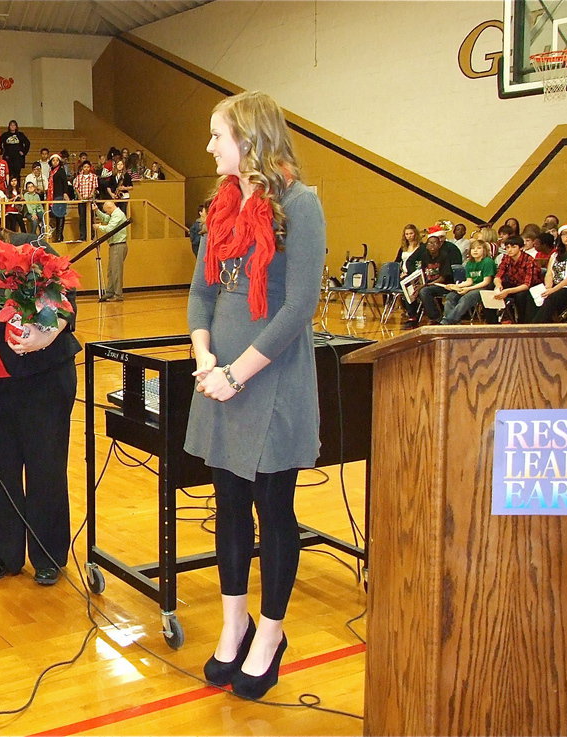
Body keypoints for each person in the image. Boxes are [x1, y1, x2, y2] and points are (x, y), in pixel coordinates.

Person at [186, 91, 326, 701]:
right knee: (228, 507)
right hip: (220, 379)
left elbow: (298, 306)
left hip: (269, 379)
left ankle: (270, 634)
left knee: (274, 511)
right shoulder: (219, 207)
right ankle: (233, 624)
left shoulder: (300, 204)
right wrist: (203, 355)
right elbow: (201, 295)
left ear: (249, 139)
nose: (210, 146)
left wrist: (236, 371)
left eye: (218, 135)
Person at [0, 191, 81, 585]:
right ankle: (5, 553)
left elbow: (66, 294)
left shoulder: (30, 246)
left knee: (46, 469)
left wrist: (47, 334)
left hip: (43, 377)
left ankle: (48, 556)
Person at [405, 225, 462, 326]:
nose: (432, 245)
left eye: (435, 243)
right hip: (428, 283)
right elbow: (422, 272)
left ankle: (436, 318)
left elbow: (443, 278)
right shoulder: (425, 256)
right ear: (426, 245)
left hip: (444, 285)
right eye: (430, 243)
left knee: (424, 291)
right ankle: (413, 317)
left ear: (440, 245)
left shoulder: (444, 256)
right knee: (410, 289)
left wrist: (426, 285)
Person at [530, 224, 567, 323]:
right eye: (564, 234)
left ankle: (536, 326)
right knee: (532, 294)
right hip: (554, 286)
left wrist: (553, 290)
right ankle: (525, 323)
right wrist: (548, 287)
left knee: (553, 297)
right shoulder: (555, 254)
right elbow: (549, 273)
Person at [438, 239, 496, 324]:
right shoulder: (469, 263)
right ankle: (454, 321)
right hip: (472, 287)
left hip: (484, 288)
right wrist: (456, 286)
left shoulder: (488, 262)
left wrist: (468, 289)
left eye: (479, 248)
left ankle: (448, 321)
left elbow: (486, 282)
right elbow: (469, 281)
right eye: (473, 249)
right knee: (451, 296)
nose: (475, 250)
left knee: (467, 297)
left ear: (484, 250)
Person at [488, 234, 541, 323]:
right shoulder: (506, 258)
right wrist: (498, 285)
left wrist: (507, 291)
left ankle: (521, 322)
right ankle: (493, 322)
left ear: (520, 248)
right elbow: (498, 275)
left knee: (521, 295)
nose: (510, 250)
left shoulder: (529, 260)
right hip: (513, 284)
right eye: (507, 247)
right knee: (490, 288)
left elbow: (527, 285)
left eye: (513, 247)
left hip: (529, 289)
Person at [94, 199, 129, 302]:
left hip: (119, 245)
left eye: (106, 211)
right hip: (114, 245)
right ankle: (110, 292)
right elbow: (106, 218)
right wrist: (97, 211)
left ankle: (118, 295)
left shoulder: (118, 215)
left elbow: (109, 228)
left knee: (116, 271)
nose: (106, 213)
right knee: (111, 270)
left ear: (110, 208)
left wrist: (99, 226)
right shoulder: (113, 214)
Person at [73, 161, 99, 242]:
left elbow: (94, 187)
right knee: (82, 218)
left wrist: (91, 195)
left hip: (90, 201)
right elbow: (76, 188)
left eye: (88, 167)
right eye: (85, 167)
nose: (86, 168)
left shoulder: (93, 176)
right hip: (81, 201)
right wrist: (80, 197)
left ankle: (91, 236)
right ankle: (82, 236)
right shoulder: (79, 177)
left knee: (91, 218)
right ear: (82, 168)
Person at [46, 153, 68, 243]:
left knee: (60, 215)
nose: (55, 162)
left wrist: (65, 193)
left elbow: (65, 183)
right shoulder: (51, 171)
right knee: (54, 215)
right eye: (53, 160)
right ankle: (57, 235)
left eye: (57, 160)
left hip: (59, 195)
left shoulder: (61, 171)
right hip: (52, 196)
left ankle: (59, 235)